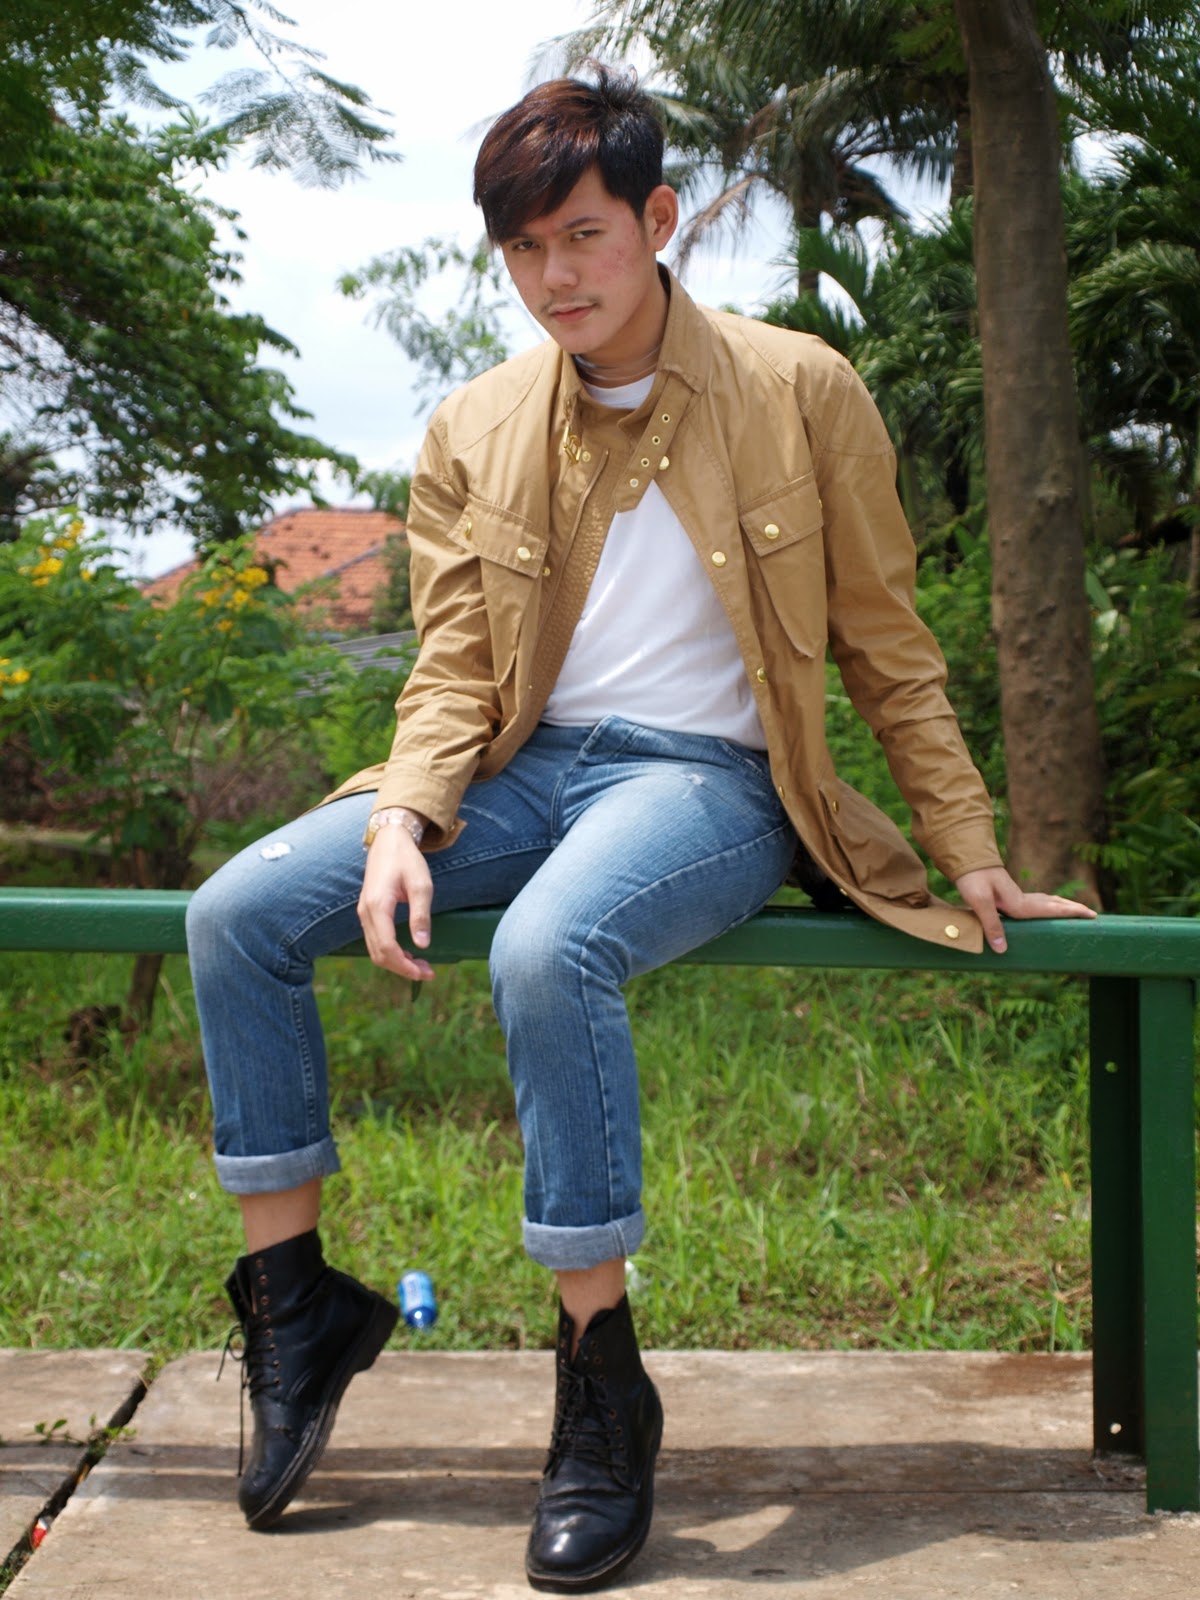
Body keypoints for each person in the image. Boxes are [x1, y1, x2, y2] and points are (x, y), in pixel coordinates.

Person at [186, 64, 1096, 1594]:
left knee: (549, 950)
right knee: (234, 911)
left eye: (584, 236)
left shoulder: (800, 388)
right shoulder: (474, 425)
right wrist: (403, 815)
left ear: (658, 220)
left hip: (714, 784)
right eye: (525, 248)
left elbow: (885, 639)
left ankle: (601, 1386)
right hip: (520, 771)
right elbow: (454, 665)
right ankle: (298, 1309)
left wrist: (967, 844)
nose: (556, 276)